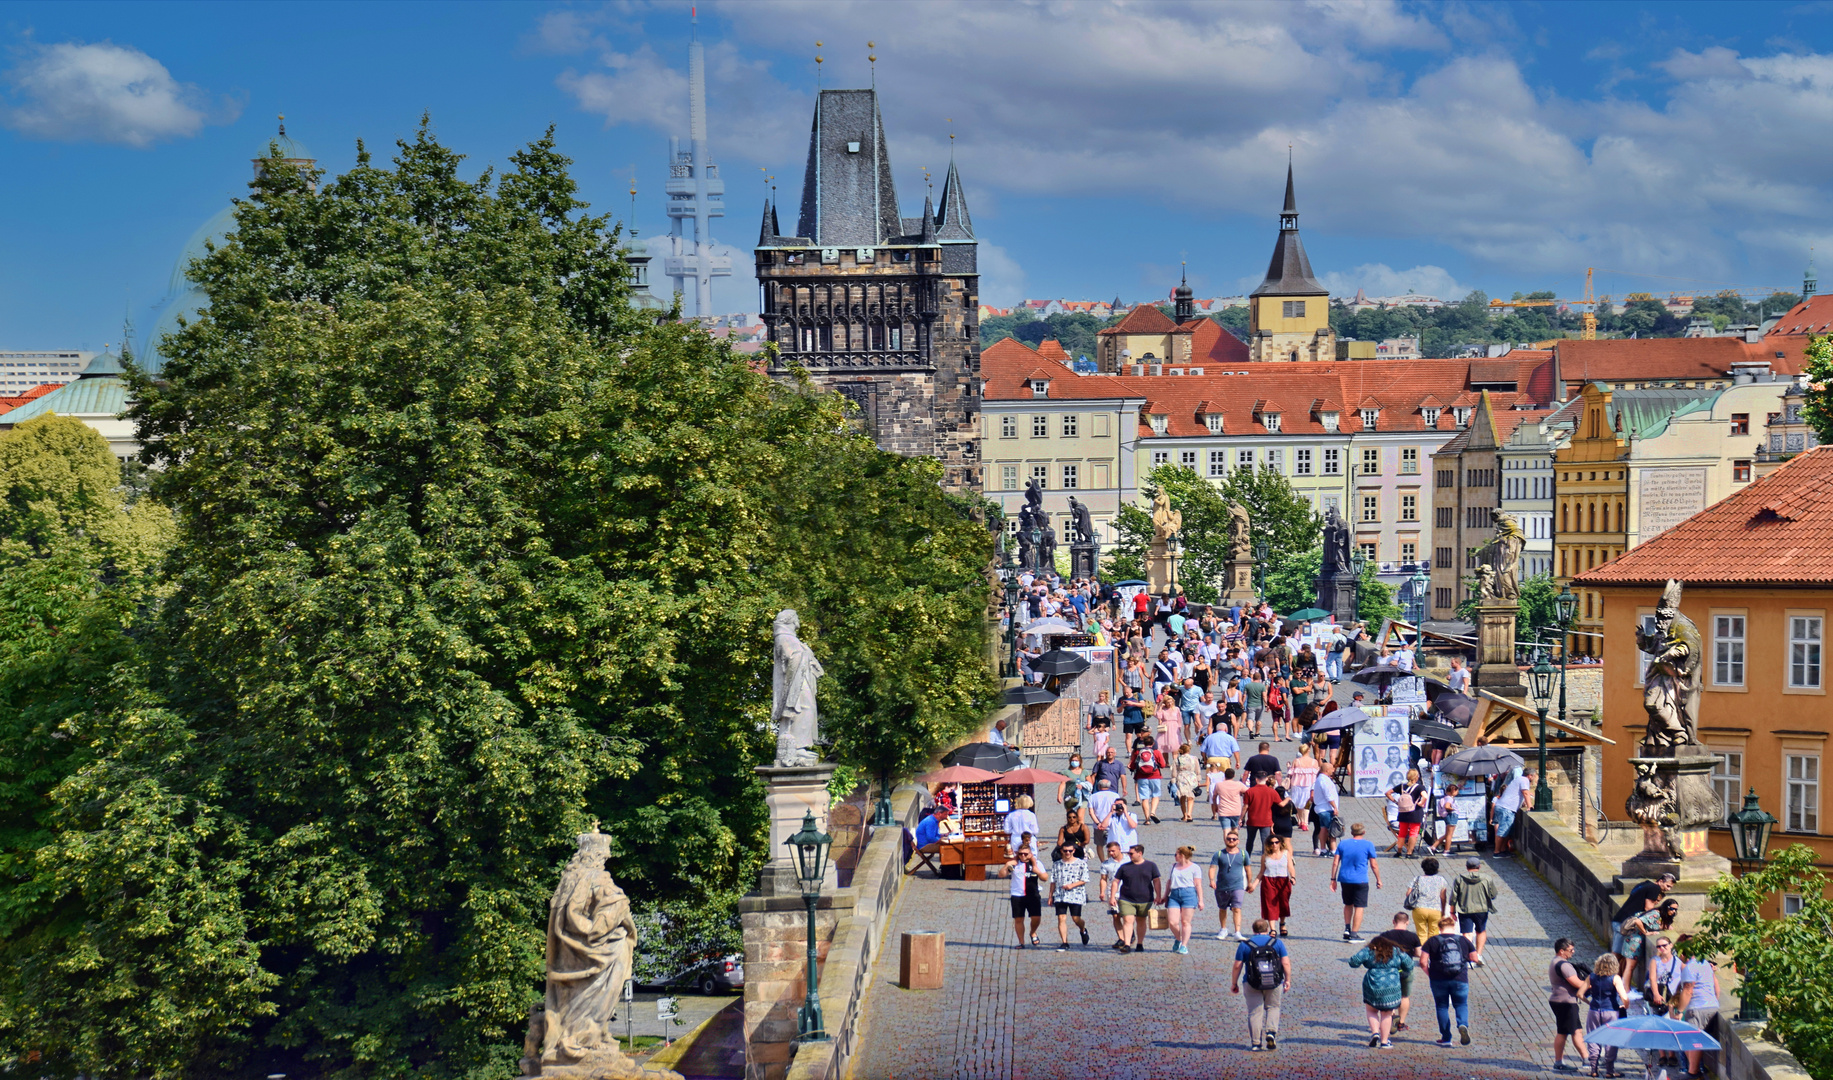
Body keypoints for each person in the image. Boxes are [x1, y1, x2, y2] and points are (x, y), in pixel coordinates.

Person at [1661, 937, 1720, 1078]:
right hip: (1710, 1005)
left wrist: (1680, 1010)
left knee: (1693, 1039)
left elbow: (1687, 990)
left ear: (1684, 952)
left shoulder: (1690, 967)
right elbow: (1716, 987)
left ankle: (1692, 1072)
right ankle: (1695, 1071)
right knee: (1694, 1038)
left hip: (1697, 1007)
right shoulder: (1705, 963)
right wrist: (1713, 1001)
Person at [1231, 918, 1291, 1052]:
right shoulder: (1277, 943)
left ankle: (1256, 1043)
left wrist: (1234, 983)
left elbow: (1237, 966)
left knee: (1254, 1012)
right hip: (1274, 982)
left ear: (1253, 930)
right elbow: (1285, 963)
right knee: (1273, 1007)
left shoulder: (1245, 945)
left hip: (1252, 982)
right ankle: (1271, 1032)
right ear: (1267, 930)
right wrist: (1287, 980)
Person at [1420, 910, 1478, 1047]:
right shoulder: (1463, 940)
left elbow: (1422, 962)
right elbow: (1474, 958)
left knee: (1442, 1006)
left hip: (1438, 979)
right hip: (1460, 978)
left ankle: (1446, 1038)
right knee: (1461, 1004)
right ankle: (1462, 1024)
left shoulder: (1432, 941)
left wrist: (1430, 974)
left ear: (1439, 928)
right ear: (1453, 926)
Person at [1349, 935, 1414, 1049]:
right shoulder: (1396, 950)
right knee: (1387, 1014)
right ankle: (1384, 1041)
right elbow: (1409, 965)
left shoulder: (1369, 950)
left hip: (1372, 984)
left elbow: (1353, 962)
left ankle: (1375, 1033)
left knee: (1371, 1011)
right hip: (1391, 985)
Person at [1332, 822, 1383, 941]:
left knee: (1348, 904)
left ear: (1351, 833)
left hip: (1345, 878)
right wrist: (1378, 879)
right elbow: (1373, 865)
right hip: (1361, 880)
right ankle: (1354, 934)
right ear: (1363, 832)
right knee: (1359, 906)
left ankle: (1347, 928)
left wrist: (1333, 879)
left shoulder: (1343, 843)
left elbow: (1335, 862)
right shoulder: (1368, 845)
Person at [1375, 910, 1424, 1034]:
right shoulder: (1413, 936)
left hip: (1390, 970)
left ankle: (1391, 1020)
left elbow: (1377, 951)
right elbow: (1418, 953)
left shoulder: (1385, 935)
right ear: (1407, 922)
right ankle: (1401, 1023)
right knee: (1404, 996)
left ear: (1393, 922)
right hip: (1406, 969)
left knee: (1391, 994)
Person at [1548, 938, 1592, 1072]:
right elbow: (1578, 984)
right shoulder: (1564, 965)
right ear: (1562, 951)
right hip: (1566, 1003)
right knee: (1575, 1031)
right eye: (1570, 950)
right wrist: (1594, 984)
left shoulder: (1555, 962)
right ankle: (1586, 1060)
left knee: (1563, 1032)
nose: (1573, 952)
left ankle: (1559, 1062)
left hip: (1559, 1001)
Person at [1610, 872, 1676, 957]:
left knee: (1618, 954)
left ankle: (1611, 969)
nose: (1668, 889)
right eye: (1668, 886)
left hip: (1619, 919)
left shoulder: (1645, 884)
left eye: (1670, 887)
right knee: (1616, 954)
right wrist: (1659, 923)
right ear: (1660, 881)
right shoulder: (1655, 888)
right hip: (1625, 923)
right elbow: (1648, 908)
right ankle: (1607, 970)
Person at [1619, 898, 1678, 992]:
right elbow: (1638, 921)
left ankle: (1625, 988)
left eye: (1675, 909)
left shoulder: (1658, 913)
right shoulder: (1656, 913)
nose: (1674, 911)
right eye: (1672, 909)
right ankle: (1625, 990)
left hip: (1634, 940)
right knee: (1630, 966)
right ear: (1666, 907)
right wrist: (1646, 932)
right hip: (1634, 941)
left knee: (1629, 966)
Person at [1113, 844, 1163, 953]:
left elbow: (1156, 881)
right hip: (1126, 898)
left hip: (1145, 898)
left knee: (1141, 921)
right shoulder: (1124, 867)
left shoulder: (1151, 866)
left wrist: (1158, 895)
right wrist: (1112, 896)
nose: (1129, 855)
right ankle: (1127, 944)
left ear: (1139, 853)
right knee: (1127, 920)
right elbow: (1116, 881)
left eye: (1131, 853)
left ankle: (1140, 943)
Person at [1584, 952, 1627, 1077]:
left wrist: (1589, 1002)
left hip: (1594, 1010)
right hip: (1611, 1011)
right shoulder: (1615, 978)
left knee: (1593, 1038)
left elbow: (1580, 994)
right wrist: (1626, 1006)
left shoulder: (1591, 976)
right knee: (1611, 1039)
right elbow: (1624, 997)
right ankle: (1609, 1070)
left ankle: (1593, 1069)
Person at [1451, 857, 1498, 963]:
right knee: (1481, 931)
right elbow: (1493, 895)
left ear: (1467, 867)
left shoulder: (1459, 879)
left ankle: (1469, 956)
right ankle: (1479, 954)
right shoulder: (1487, 878)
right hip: (1481, 909)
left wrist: (1452, 912)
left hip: (1464, 909)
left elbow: (1453, 897)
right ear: (1479, 866)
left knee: (1467, 933)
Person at [1248, 834, 1296, 937]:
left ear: (1280, 843)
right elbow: (1261, 872)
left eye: (1276, 842)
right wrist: (1254, 885)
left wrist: (1293, 877)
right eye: (1271, 843)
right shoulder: (1265, 856)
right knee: (1270, 905)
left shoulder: (1286, 853)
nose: (1274, 845)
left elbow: (1291, 867)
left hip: (1283, 880)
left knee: (1284, 903)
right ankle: (1272, 929)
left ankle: (1282, 923)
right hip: (1268, 881)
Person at [1004, 839, 1048, 948]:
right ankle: (1021, 942)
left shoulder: (1036, 863)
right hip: (1017, 895)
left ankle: (1033, 932)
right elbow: (1001, 874)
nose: (1023, 856)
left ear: (1030, 854)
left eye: (1025, 854)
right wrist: (1007, 866)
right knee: (1019, 919)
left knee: (1036, 918)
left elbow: (1045, 878)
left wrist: (1037, 871)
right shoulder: (1014, 864)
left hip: (1032, 894)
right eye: (1020, 854)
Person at [1209, 830, 1250, 940]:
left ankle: (1237, 931)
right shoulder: (1219, 854)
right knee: (1222, 908)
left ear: (1238, 841)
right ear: (1225, 840)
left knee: (1237, 908)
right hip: (1222, 886)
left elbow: (1248, 869)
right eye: (1229, 839)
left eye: (1234, 839)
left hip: (1238, 886)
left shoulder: (1243, 854)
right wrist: (1212, 880)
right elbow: (1213, 867)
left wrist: (1250, 883)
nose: (1231, 840)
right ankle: (1223, 929)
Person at [1049, 842, 1090, 951]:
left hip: (1076, 895)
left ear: (1074, 851)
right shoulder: (1056, 864)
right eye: (1065, 851)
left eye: (1070, 851)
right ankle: (1064, 942)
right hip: (1060, 895)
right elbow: (1053, 881)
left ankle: (1083, 929)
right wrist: (1050, 896)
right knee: (1061, 918)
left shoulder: (1081, 863)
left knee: (1076, 919)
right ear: (1061, 851)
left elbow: (1084, 879)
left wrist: (1072, 885)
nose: (1067, 853)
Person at [1164, 845, 1204, 954]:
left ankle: (1184, 945)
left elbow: (1198, 884)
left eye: (1176, 854)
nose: (1175, 856)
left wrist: (1201, 900)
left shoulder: (1195, 868)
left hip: (1189, 894)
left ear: (1182, 855)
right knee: (1172, 921)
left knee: (1185, 922)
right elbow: (1169, 882)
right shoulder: (1173, 866)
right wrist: (1164, 896)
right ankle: (1178, 938)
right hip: (1174, 894)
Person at [1404, 856, 1452, 941]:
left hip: (1419, 908)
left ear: (1423, 868)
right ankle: (1432, 951)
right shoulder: (1441, 880)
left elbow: (1408, 893)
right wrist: (1443, 912)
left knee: (1421, 932)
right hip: (1435, 910)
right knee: (1434, 933)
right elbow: (1443, 897)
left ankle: (1422, 952)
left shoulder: (1417, 879)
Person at [1492, 767, 1534, 858]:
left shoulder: (1518, 779)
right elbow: (1525, 793)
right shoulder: (1524, 780)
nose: (1535, 778)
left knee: (1506, 830)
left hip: (1503, 806)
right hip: (1506, 808)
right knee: (1503, 831)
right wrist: (1530, 806)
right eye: (1535, 776)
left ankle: (1503, 850)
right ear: (1530, 775)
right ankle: (1496, 852)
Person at [1388, 768, 1428, 858]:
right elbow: (1425, 796)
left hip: (1403, 812)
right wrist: (1421, 803)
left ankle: (1399, 852)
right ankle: (1409, 853)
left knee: (1402, 832)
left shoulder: (1402, 786)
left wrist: (1396, 802)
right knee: (1413, 833)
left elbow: (1388, 793)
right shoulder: (1419, 787)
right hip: (1415, 812)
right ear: (1416, 777)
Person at [1242, 774, 1279, 857]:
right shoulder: (1272, 791)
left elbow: (1245, 806)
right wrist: (1288, 799)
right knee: (1265, 841)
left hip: (1252, 820)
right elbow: (1280, 804)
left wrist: (1241, 818)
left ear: (1256, 779)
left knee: (1250, 840)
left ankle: (1247, 858)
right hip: (1266, 820)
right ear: (1266, 779)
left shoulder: (1250, 791)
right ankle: (1264, 859)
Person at [1098, 841, 1126, 950]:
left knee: (1127, 916)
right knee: (1115, 915)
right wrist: (1102, 892)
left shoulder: (1128, 860)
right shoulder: (1106, 864)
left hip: (1127, 892)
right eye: (1109, 851)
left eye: (1113, 851)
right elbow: (1103, 879)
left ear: (1119, 849)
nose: (1111, 853)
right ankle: (1121, 938)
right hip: (1112, 893)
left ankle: (1129, 932)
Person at [1130, 739, 1166, 824]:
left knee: (1144, 798)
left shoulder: (1138, 752)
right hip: (1155, 776)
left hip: (1141, 777)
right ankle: (1152, 812)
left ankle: (1147, 819)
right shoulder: (1156, 752)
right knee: (1155, 795)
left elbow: (1132, 765)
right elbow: (1163, 765)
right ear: (1153, 744)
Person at [1287, 743, 1320, 832]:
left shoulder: (1296, 761)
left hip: (1296, 784)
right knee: (1306, 804)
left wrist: (1288, 767)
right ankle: (1305, 822)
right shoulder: (1314, 762)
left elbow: (1290, 773)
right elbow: (1317, 775)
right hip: (1309, 785)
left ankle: (1300, 821)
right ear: (1308, 750)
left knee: (1297, 804)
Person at [1312, 767, 1341, 858]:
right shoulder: (1324, 780)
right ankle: (1333, 851)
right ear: (1326, 770)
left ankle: (1323, 850)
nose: (1333, 770)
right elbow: (1328, 795)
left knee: (1323, 829)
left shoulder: (1320, 779)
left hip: (1321, 809)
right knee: (1332, 830)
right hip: (1326, 809)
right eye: (1332, 768)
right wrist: (1335, 807)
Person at [1086, 692, 1115, 762]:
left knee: (1104, 736)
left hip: (1105, 720)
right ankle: (1098, 752)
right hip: (1096, 720)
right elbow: (1090, 714)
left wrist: (1113, 724)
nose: (1101, 697)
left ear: (1105, 697)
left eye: (1102, 696)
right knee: (1096, 737)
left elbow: (1111, 715)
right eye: (1100, 696)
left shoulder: (1108, 705)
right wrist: (1088, 723)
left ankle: (1104, 753)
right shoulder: (1094, 704)